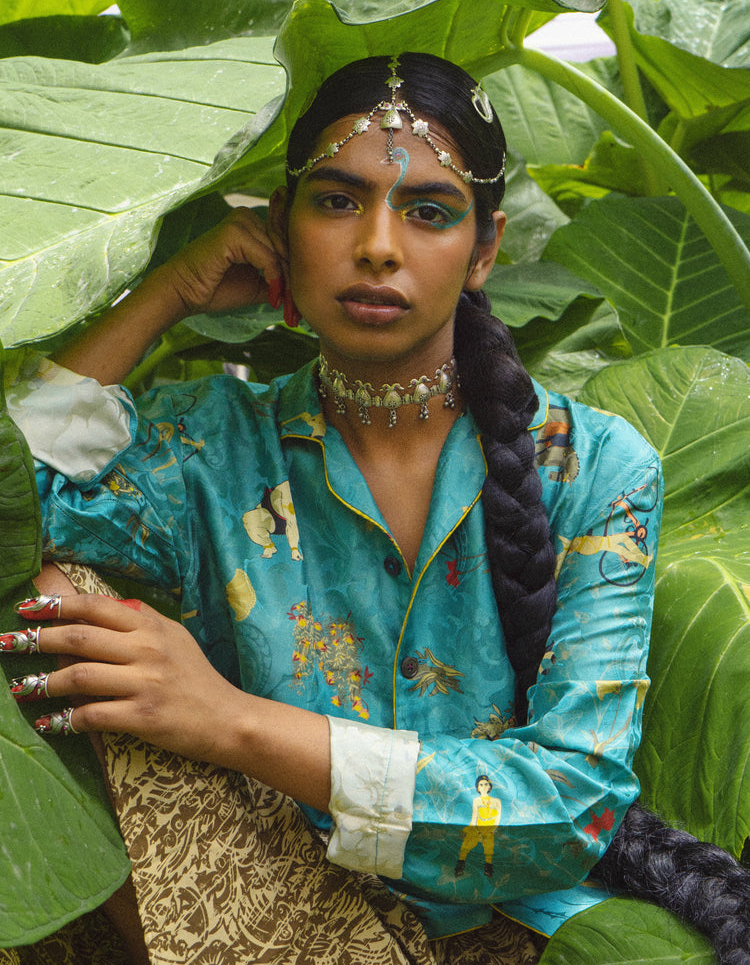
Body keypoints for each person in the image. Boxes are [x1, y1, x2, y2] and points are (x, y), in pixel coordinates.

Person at [4, 53, 749, 964]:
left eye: (429, 212)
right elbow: (12, 500)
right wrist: (171, 292)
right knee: (46, 591)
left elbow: (570, 805)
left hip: (501, 926)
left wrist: (223, 717)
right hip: (262, 897)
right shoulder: (204, 447)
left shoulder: (591, 466)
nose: (379, 247)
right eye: (337, 201)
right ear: (279, 226)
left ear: (485, 250)